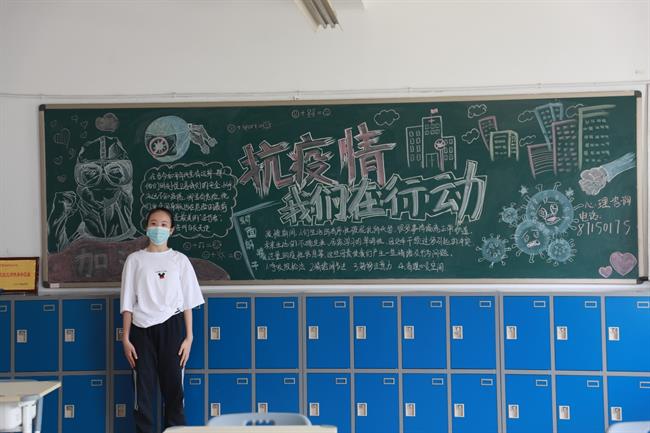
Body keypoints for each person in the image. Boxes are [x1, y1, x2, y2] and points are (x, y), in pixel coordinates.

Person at [120, 207, 204, 433]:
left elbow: (188, 302)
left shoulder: (180, 260)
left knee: (174, 390)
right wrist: (126, 338)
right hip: (141, 329)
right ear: (146, 227)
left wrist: (189, 337)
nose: (158, 228)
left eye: (164, 224)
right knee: (143, 392)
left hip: (173, 328)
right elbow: (127, 302)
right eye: (154, 223)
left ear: (172, 230)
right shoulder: (134, 260)